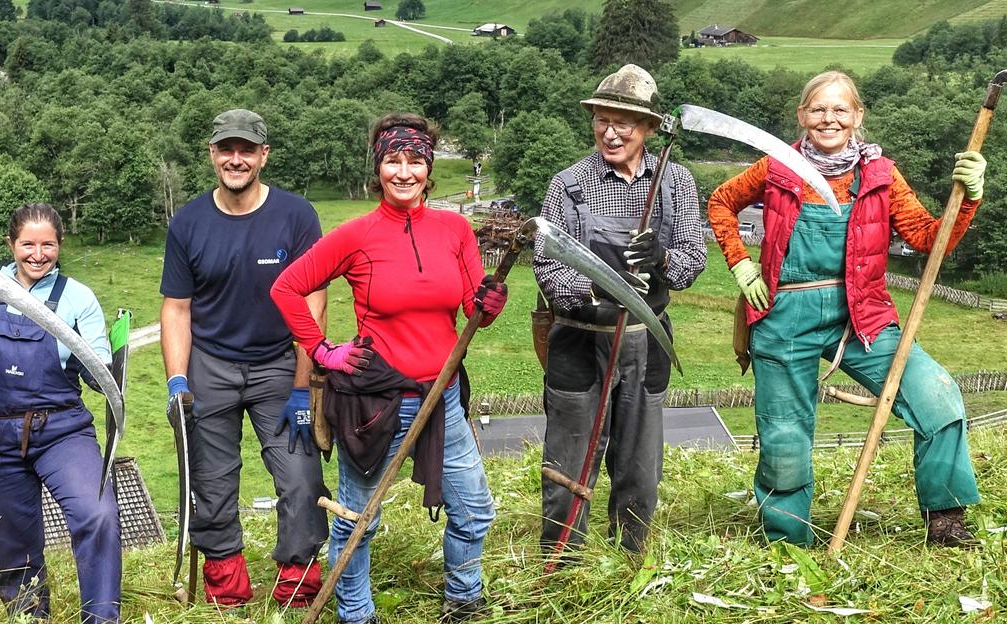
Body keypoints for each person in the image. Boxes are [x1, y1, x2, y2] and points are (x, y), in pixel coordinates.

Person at [705, 70, 987, 547]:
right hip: (783, 316)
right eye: (818, 109)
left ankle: (946, 520)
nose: (828, 118)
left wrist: (968, 200)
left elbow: (925, 238)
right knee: (784, 436)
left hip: (863, 316)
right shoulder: (777, 167)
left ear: (857, 117)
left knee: (937, 397)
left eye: (840, 109)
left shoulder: (880, 176)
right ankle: (788, 541)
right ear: (801, 116)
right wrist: (741, 264)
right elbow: (720, 202)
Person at [270, 112, 506, 624]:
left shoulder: (455, 229)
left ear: (428, 166)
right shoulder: (356, 235)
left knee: (474, 510)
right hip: (375, 404)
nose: (404, 172)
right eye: (393, 161)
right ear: (378, 167)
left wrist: (491, 301)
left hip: (440, 397)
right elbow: (286, 287)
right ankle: (356, 614)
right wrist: (323, 351)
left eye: (415, 160)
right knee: (358, 521)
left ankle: (464, 600)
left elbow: (473, 312)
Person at [532, 63, 707, 555]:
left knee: (639, 466)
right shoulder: (569, 183)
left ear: (649, 128)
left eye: (623, 123)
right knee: (569, 460)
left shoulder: (675, 183)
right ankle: (562, 562)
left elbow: (693, 260)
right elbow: (548, 266)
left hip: (646, 341)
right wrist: (598, 293)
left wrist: (662, 259)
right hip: (579, 339)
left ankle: (630, 558)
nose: (610, 132)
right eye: (601, 120)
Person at [160, 108, 330, 608]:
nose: (236, 159)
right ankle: (226, 587)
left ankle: (298, 587)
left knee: (300, 475)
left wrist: (303, 387)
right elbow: (176, 307)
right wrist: (176, 380)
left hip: (279, 363)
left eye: (247, 150)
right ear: (212, 154)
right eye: (227, 149)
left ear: (263, 155)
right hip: (209, 364)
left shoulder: (296, 217)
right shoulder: (188, 222)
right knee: (210, 480)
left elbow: (313, 302)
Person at [0, 203, 121, 623]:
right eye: (27, 243)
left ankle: (102, 617)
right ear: (11, 244)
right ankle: (30, 617)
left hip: (62, 429)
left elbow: (98, 366)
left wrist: (104, 372)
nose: (37, 253)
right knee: (13, 540)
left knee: (97, 512)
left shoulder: (78, 297)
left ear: (59, 245)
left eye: (48, 244)